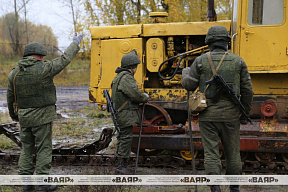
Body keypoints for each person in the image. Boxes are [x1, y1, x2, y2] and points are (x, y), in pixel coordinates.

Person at [7, 33, 83, 192]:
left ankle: (27, 184)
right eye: (42, 56)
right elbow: (64, 60)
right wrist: (75, 43)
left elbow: (10, 98)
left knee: (27, 149)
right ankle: (42, 183)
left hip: (25, 119)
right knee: (43, 149)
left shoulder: (14, 74)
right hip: (42, 119)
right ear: (39, 56)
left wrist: (15, 116)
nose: (43, 58)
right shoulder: (44, 68)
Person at [181, 26, 253, 192]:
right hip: (231, 115)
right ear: (227, 42)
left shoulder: (200, 60)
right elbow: (248, 90)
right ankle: (234, 187)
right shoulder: (238, 61)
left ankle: (215, 187)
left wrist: (185, 73)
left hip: (208, 115)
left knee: (211, 152)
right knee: (233, 152)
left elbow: (189, 85)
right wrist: (245, 112)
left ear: (209, 43)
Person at [111, 50, 149, 174]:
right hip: (125, 113)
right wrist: (145, 97)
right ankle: (122, 167)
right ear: (132, 67)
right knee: (126, 138)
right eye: (136, 67)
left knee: (123, 137)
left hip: (121, 113)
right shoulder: (126, 77)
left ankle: (122, 164)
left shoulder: (118, 77)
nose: (136, 69)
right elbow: (135, 95)